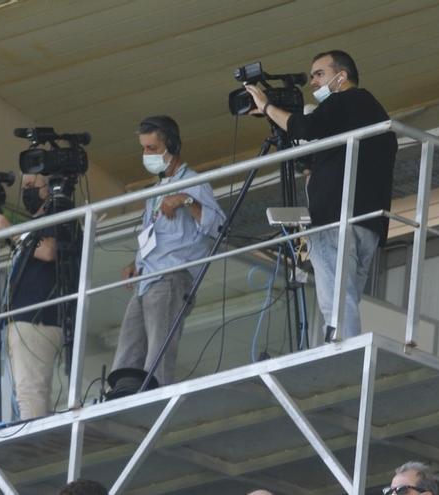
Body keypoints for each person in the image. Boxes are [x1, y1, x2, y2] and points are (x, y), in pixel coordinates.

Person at [245, 49, 397, 341]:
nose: (313, 82)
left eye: (319, 74)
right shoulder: (365, 110)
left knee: (335, 301)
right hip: (367, 222)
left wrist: (267, 107)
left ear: (341, 77)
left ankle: (343, 356)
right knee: (346, 295)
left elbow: (306, 126)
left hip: (336, 218)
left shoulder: (348, 99)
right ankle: (346, 348)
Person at [109, 115, 226, 393]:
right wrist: (135, 263)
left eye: (151, 148)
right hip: (146, 278)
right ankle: (121, 396)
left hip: (172, 277)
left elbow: (219, 227)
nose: (146, 154)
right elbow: (154, 238)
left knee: (158, 352)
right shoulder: (154, 191)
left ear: (171, 146)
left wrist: (186, 199)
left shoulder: (195, 181)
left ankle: (154, 398)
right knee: (127, 348)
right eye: (143, 148)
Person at [0, 173, 77, 420]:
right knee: (23, 394)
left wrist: (12, 231)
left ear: (49, 188)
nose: (26, 191)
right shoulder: (38, 224)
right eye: (24, 186)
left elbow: (50, 251)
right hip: (25, 318)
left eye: (32, 185)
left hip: (38, 318)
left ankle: (34, 446)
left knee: (30, 394)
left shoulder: (60, 216)